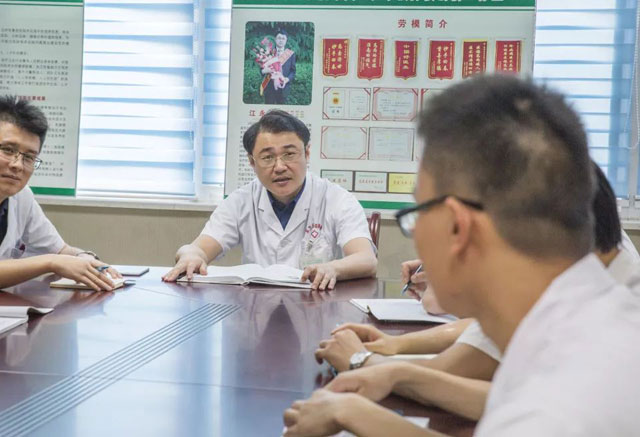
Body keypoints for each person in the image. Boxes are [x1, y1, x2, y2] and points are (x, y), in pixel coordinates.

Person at [283, 75, 640, 436]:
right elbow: (504, 406)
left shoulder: (557, 413)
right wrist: (380, 388)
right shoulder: (591, 321)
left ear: (458, 227)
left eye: (419, 212)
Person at [311, 162, 640, 421]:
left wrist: (364, 364)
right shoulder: (587, 264)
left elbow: (469, 375)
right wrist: (395, 350)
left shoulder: (609, 314)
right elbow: (504, 396)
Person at [0, 96, 121, 293]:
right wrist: (51, 262)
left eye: (29, 157)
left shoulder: (20, 195)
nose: (17, 165)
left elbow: (59, 250)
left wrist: (84, 257)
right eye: (7, 150)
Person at [164, 110, 377, 290]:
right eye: (267, 157)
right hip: (256, 310)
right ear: (252, 162)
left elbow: (366, 259)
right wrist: (189, 255)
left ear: (307, 153)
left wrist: (333, 268)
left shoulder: (337, 199)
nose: (280, 167)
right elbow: (197, 249)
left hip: (318, 307)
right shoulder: (241, 201)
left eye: (289, 154)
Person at [261, 30, 296, 104]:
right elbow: (261, 69)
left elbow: (293, 71)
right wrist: (264, 70)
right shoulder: (268, 52)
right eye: (279, 38)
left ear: (286, 40)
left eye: (283, 39)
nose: (281, 40)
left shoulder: (290, 54)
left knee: (281, 109)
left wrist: (287, 79)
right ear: (275, 39)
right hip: (269, 86)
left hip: (283, 86)